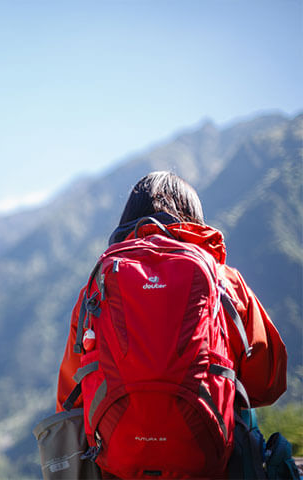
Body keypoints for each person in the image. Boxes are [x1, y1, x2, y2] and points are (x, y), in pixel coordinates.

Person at [54, 172, 288, 474]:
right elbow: (268, 384)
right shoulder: (225, 282)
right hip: (209, 461)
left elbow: (70, 401)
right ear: (195, 220)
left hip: (120, 465)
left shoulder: (96, 290)